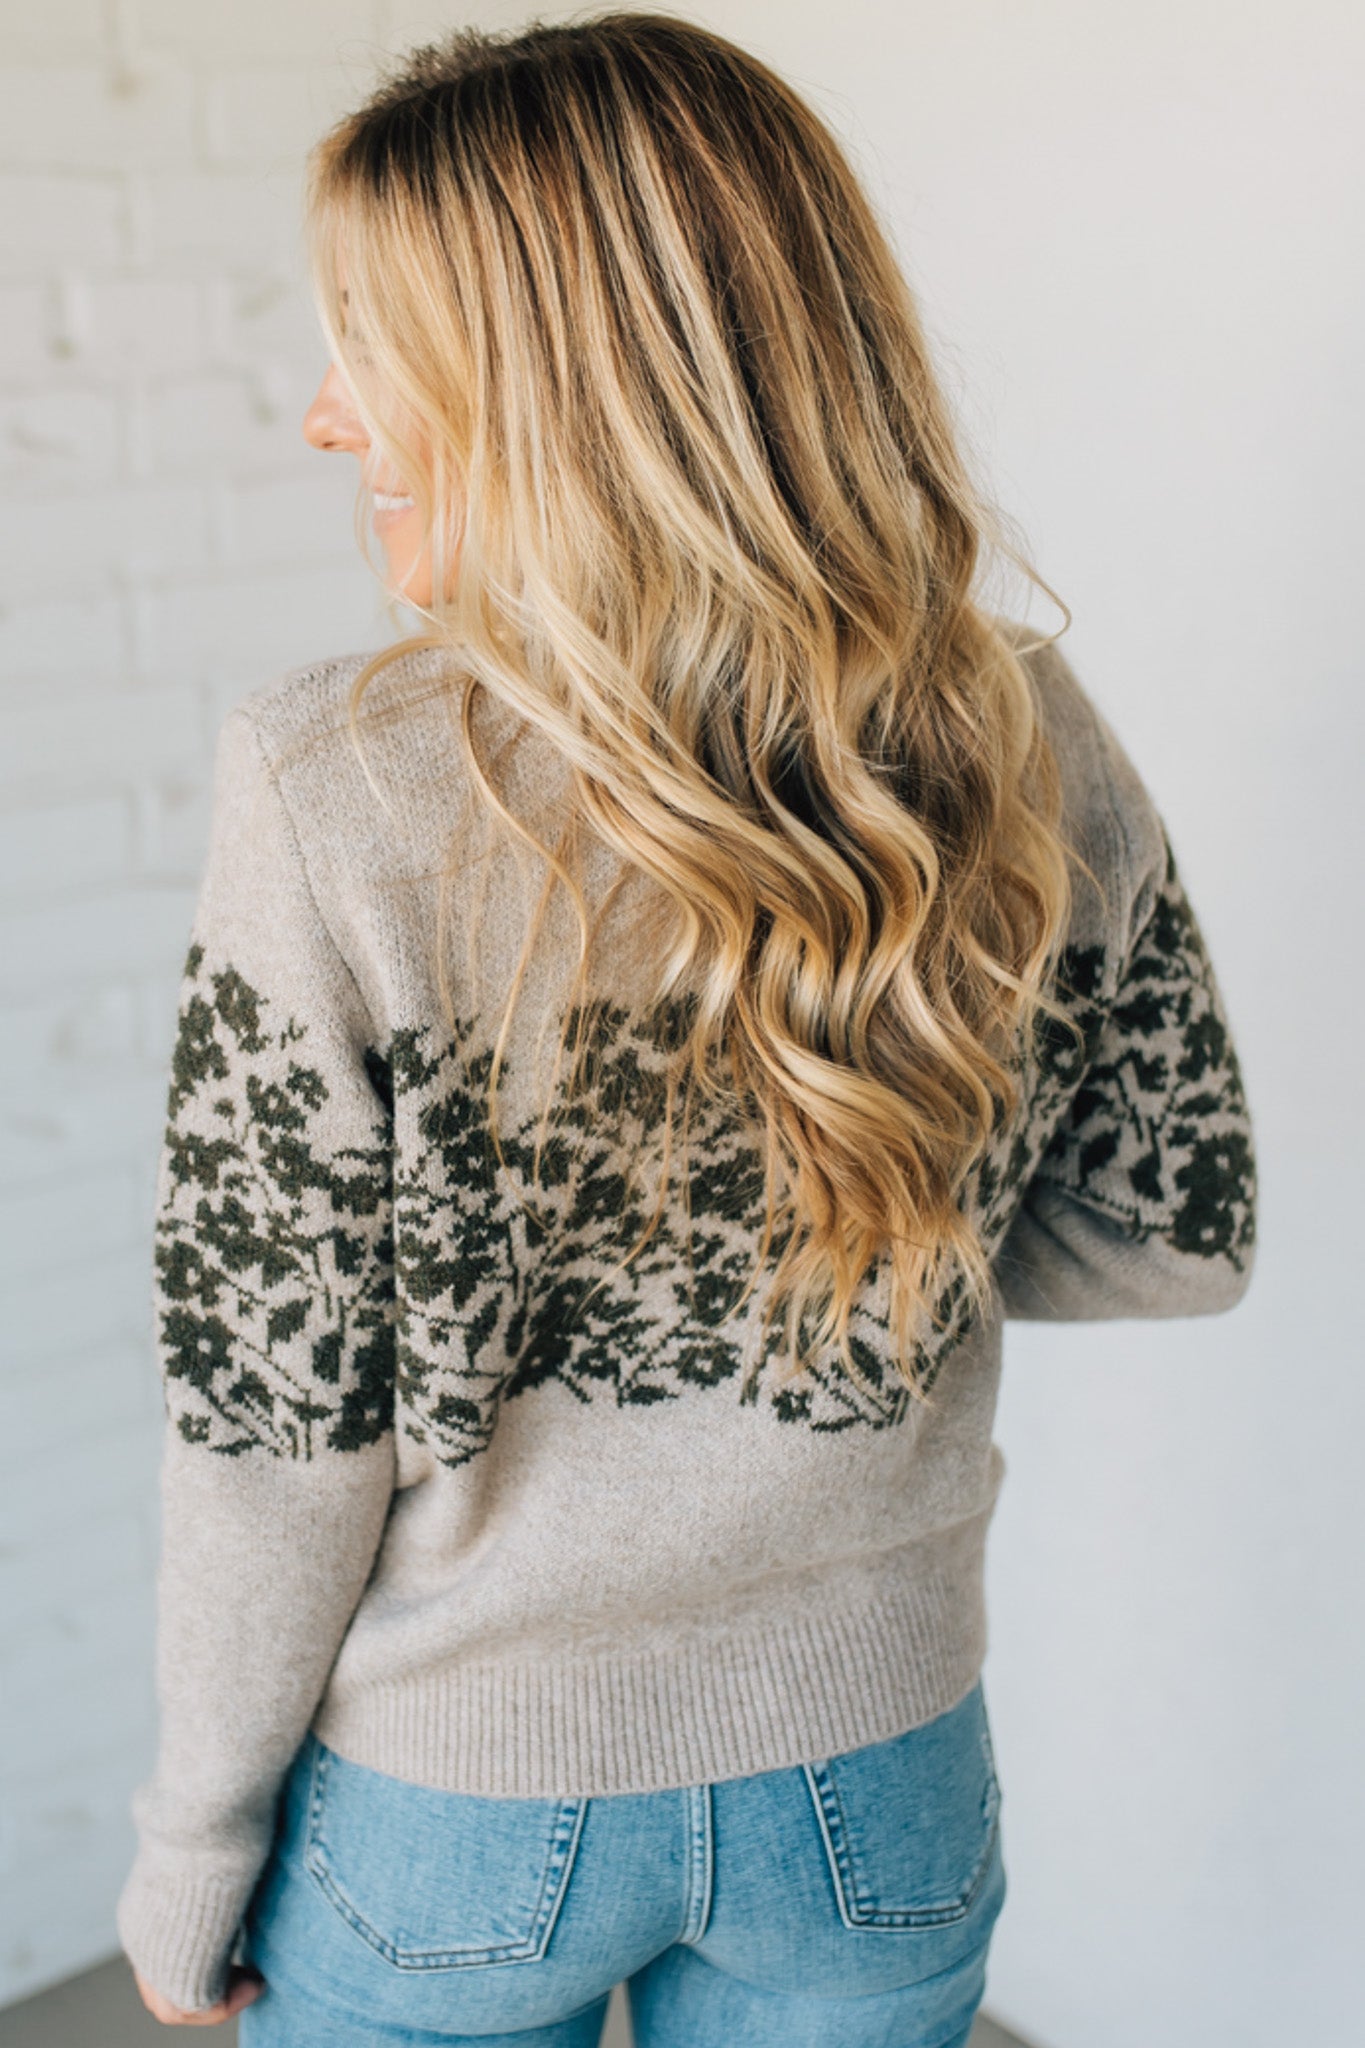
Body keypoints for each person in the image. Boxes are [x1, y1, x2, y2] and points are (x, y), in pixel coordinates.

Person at [115, 12, 1257, 2044]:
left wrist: (194, 1845)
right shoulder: (1009, 724)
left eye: (371, 347)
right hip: (877, 1769)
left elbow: (277, 1426)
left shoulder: (329, 784)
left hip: (453, 1815)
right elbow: (1169, 1230)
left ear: (558, 394)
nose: (321, 417)